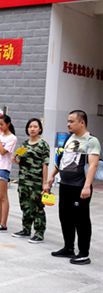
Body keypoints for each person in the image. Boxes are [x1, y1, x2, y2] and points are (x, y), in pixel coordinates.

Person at [48, 110, 101, 265]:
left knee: (81, 220)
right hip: (65, 185)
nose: (68, 124)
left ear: (82, 122)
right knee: (65, 217)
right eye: (68, 121)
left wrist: (86, 187)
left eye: (71, 121)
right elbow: (62, 159)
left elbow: (93, 165)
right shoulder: (69, 138)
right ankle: (68, 248)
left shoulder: (91, 141)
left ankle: (84, 253)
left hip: (80, 187)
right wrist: (52, 175)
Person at [11, 118, 50, 243]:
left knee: (37, 208)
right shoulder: (24, 144)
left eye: (35, 126)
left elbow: (45, 165)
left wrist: (45, 183)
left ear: (40, 129)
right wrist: (15, 161)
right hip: (23, 181)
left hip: (36, 182)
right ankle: (26, 229)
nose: (32, 129)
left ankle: (39, 233)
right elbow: (22, 162)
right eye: (30, 126)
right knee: (25, 206)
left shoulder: (43, 145)